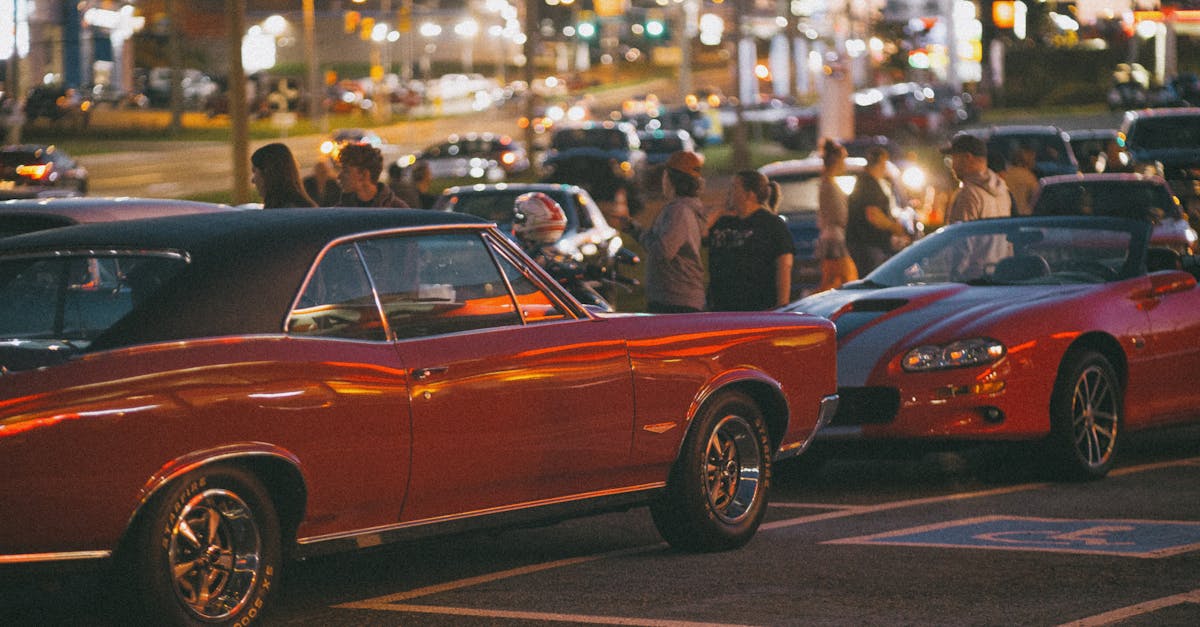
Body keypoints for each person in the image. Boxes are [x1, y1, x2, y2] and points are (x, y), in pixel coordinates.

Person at [611, 150, 708, 313]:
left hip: (676, 300)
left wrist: (643, 235)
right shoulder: (684, 208)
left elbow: (662, 251)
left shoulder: (679, 211)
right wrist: (634, 229)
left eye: (665, 175)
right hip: (675, 297)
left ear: (671, 179)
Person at [707, 170, 795, 311]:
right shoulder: (723, 221)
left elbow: (784, 264)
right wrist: (719, 211)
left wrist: (782, 304)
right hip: (722, 307)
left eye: (734, 187)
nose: (729, 192)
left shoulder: (771, 224)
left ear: (749, 195)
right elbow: (699, 235)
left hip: (757, 306)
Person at [846, 146, 909, 275]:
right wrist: (894, 228)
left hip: (868, 244)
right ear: (880, 162)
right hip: (869, 244)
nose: (885, 168)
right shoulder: (868, 184)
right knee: (875, 279)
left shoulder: (867, 182)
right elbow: (873, 214)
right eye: (884, 163)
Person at [815, 139, 859, 291]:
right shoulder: (829, 185)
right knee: (844, 278)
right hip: (834, 239)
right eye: (843, 161)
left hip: (832, 237)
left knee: (835, 279)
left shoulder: (828, 183)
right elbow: (838, 215)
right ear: (836, 161)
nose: (844, 165)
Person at [942, 133, 1012, 223]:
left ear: (967, 158)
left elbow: (960, 231)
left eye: (954, 158)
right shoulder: (1003, 191)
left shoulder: (968, 194)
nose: (952, 166)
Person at [337, 142, 410, 208]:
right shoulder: (342, 209)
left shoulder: (397, 210)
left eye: (346, 171)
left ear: (364, 174)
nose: (339, 177)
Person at [250, 143, 316, 209]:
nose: (252, 180)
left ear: (267, 173)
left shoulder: (278, 212)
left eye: (254, 171)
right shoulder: (307, 209)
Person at [1001, 146, 1038, 216]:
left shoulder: (1005, 174)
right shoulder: (1029, 177)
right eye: (1034, 159)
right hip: (1024, 216)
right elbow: (1036, 197)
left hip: (1006, 214)